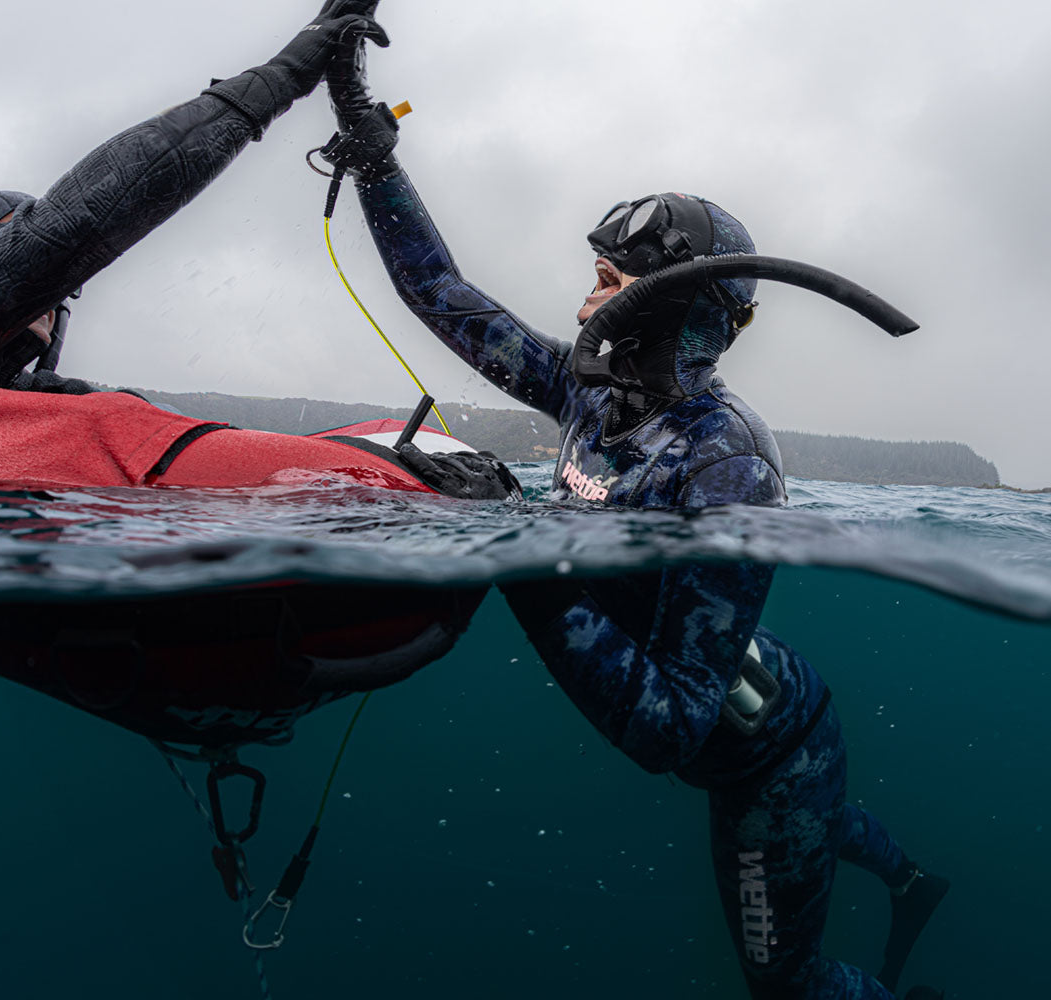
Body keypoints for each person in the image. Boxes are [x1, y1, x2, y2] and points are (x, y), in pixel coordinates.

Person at [319, 24, 949, 1000]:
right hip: (766, 711)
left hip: (768, 755)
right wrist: (370, 150)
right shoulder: (591, 396)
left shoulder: (724, 465)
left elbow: (668, 730)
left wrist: (517, 549)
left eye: (605, 286)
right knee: (819, 837)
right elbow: (439, 291)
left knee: (786, 983)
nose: (580, 309)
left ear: (665, 307)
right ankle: (910, 878)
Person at [0, 2, 518, 500]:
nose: (52, 296)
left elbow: (205, 447)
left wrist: (376, 468)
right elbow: (62, 234)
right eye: (3, 250)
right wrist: (282, 78)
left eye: (62, 291)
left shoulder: (59, 409)